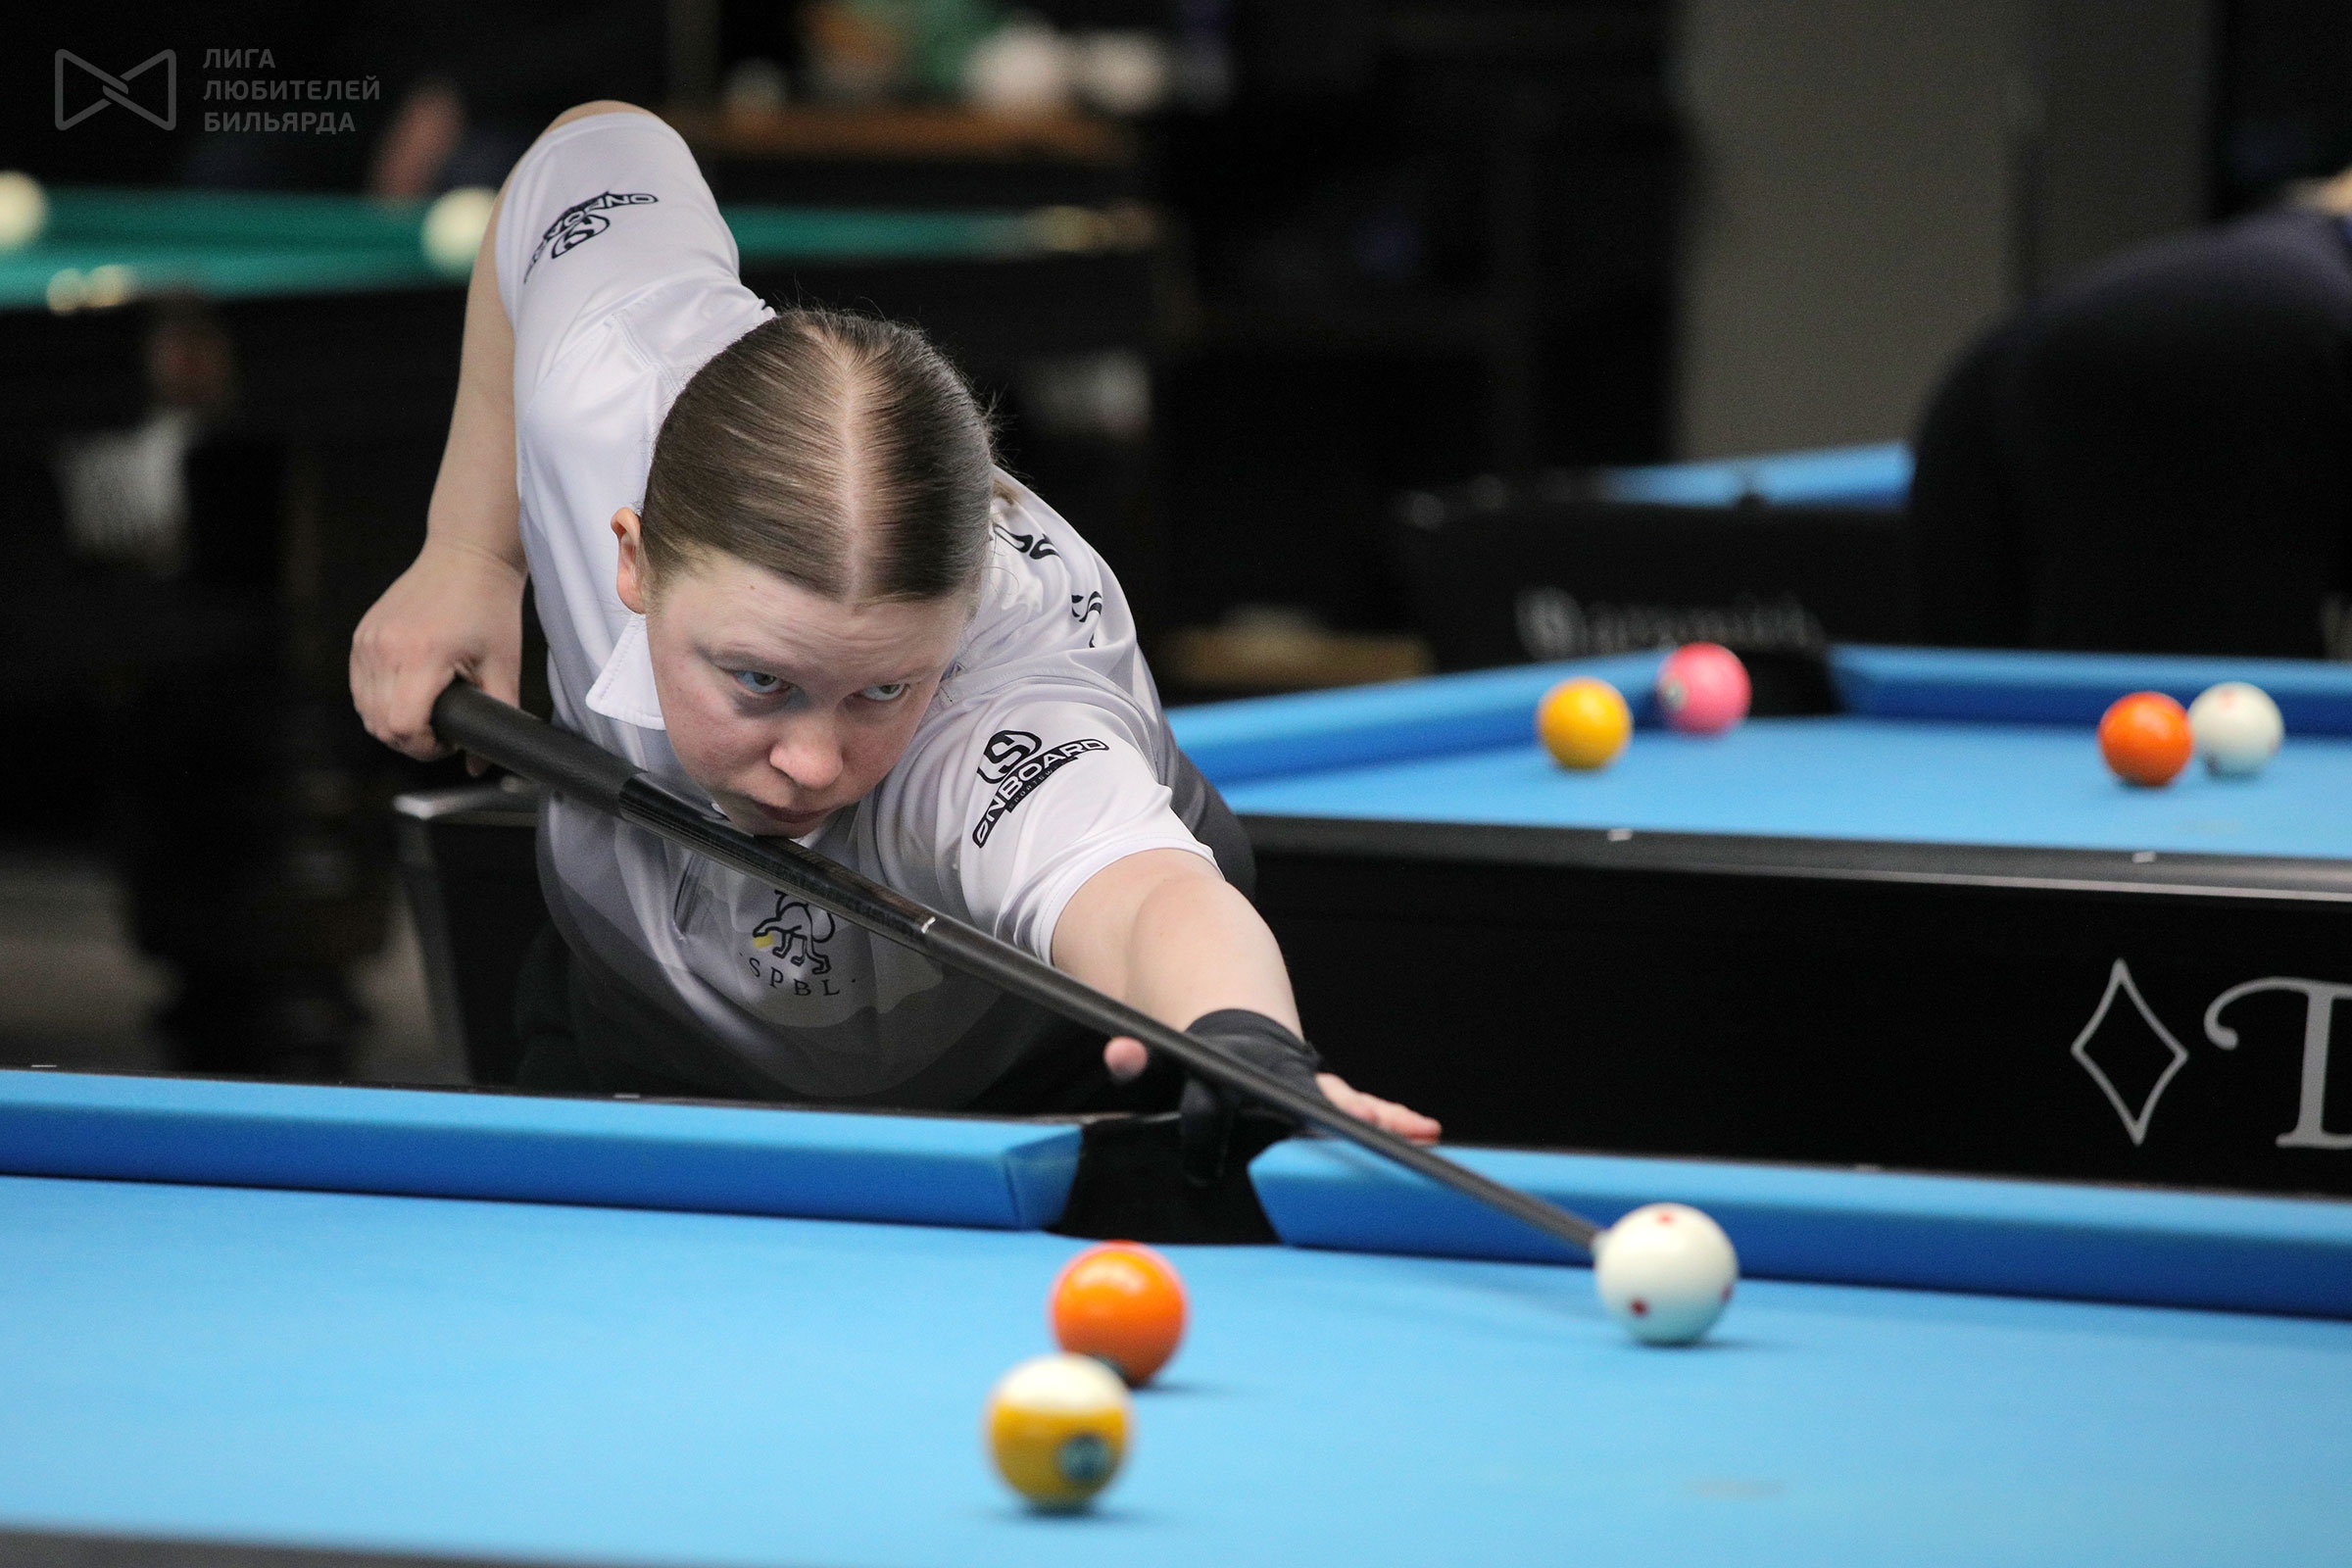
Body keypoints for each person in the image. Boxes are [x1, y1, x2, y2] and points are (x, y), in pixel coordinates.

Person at [351, 103, 1438, 1173]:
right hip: (634, 1007)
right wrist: (469, 555)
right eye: (759, 679)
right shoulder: (610, 385)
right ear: (632, 561)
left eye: (881, 690)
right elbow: (583, 150)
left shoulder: (1001, 705)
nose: (813, 763)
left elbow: (1150, 893)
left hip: (1015, 1074)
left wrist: (1242, 1040)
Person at [1909, 171, 2352, 658]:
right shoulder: (2286, 301)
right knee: (2188, 690)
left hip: (1990, 390)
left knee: (1989, 688)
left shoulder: (2280, 264)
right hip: (2229, 366)